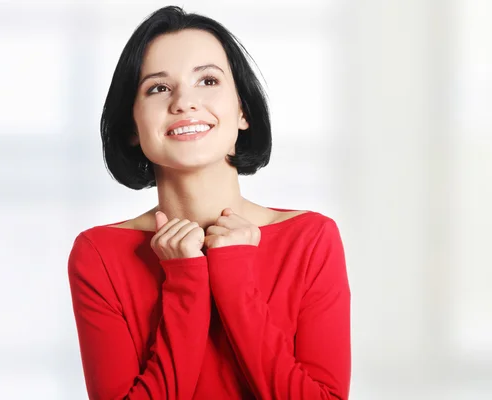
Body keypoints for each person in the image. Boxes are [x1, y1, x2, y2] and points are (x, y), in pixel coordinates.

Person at [68, 5, 351, 400]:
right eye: (158, 88)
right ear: (132, 127)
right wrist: (186, 282)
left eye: (208, 80)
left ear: (243, 111)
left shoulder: (311, 239)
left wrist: (234, 274)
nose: (184, 102)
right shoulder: (99, 254)